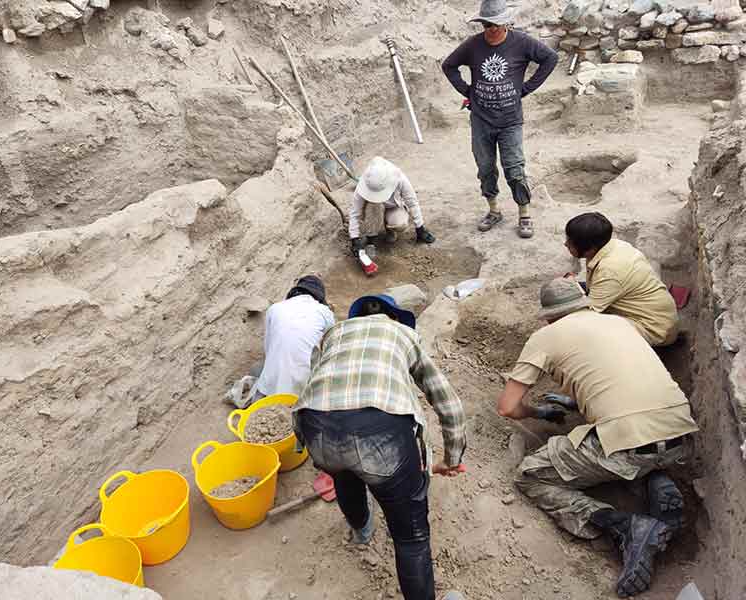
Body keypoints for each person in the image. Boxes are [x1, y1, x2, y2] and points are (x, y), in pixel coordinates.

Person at [496, 278, 698, 598]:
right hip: (680, 435)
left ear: (548, 316)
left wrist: (539, 413)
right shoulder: (618, 322)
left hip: (627, 445)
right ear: (584, 301)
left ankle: (622, 525)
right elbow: (622, 378)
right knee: (620, 446)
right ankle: (649, 478)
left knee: (530, 475)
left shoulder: (545, 336)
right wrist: (578, 402)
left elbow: (507, 407)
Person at [293, 294, 467, 600]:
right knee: (410, 538)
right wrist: (451, 459)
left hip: (316, 425)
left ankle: (361, 530)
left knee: (344, 472)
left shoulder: (335, 334)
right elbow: (448, 404)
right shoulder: (404, 334)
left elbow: (314, 382)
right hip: (381, 432)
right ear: (395, 318)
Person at [442, 0, 558, 239]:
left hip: (510, 120)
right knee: (485, 167)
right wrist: (467, 91)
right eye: (486, 25)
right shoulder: (473, 46)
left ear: (506, 23)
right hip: (481, 119)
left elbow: (550, 58)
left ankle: (524, 214)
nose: (491, 30)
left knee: (514, 169)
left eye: (496, 25)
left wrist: (526, 88)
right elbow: (449, 65)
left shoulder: (523, 42)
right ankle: (494, 210)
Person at [564, 212, 679, 346]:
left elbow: (588, 314)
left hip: (653, 329)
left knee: (582, 329)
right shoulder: (613, 245)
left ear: (590, 248)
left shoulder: (610, 270)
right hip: (655, 317)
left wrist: (571, 286)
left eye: (571, 243)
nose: (565, 244)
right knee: (569, 293)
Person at [251, 275, 335, 401]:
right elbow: (330, 345)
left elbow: (268, 348)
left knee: (258, 372)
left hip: (269, 386)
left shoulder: (274, 308)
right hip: (304, 389)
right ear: (318, 297)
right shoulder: (324, 311)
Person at [349, 157, 436, 259]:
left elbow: (412, 202)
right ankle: (371, 239)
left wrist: (420, 228)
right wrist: (354, 239)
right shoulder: (366, 182)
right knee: (374, 206)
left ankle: (390, 229)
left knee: (400, 224)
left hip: (393, 208)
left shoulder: (399, 178)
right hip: (374, 208)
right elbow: (355, 213)